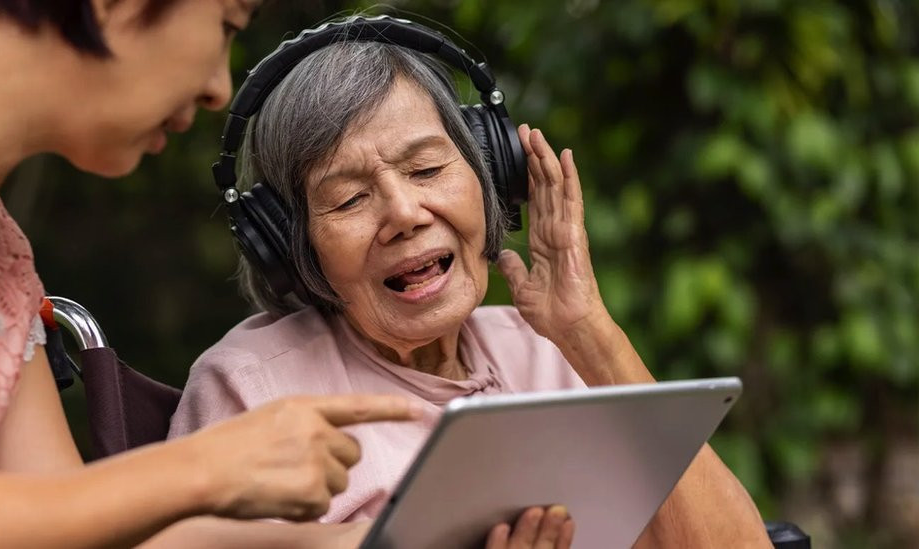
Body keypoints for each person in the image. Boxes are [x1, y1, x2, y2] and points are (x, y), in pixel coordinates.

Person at [169, 32, 773, 548]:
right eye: (350, 198)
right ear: (288, 245)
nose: (405, 212)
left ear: (488, 178)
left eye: (427, 169)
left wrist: (588, 332)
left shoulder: (542, 349)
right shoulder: (252, 386)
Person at [0, 2, 423, 547]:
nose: (219, 89)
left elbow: (55, 515)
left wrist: (368, 540)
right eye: (226, 25)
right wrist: (205, 468)